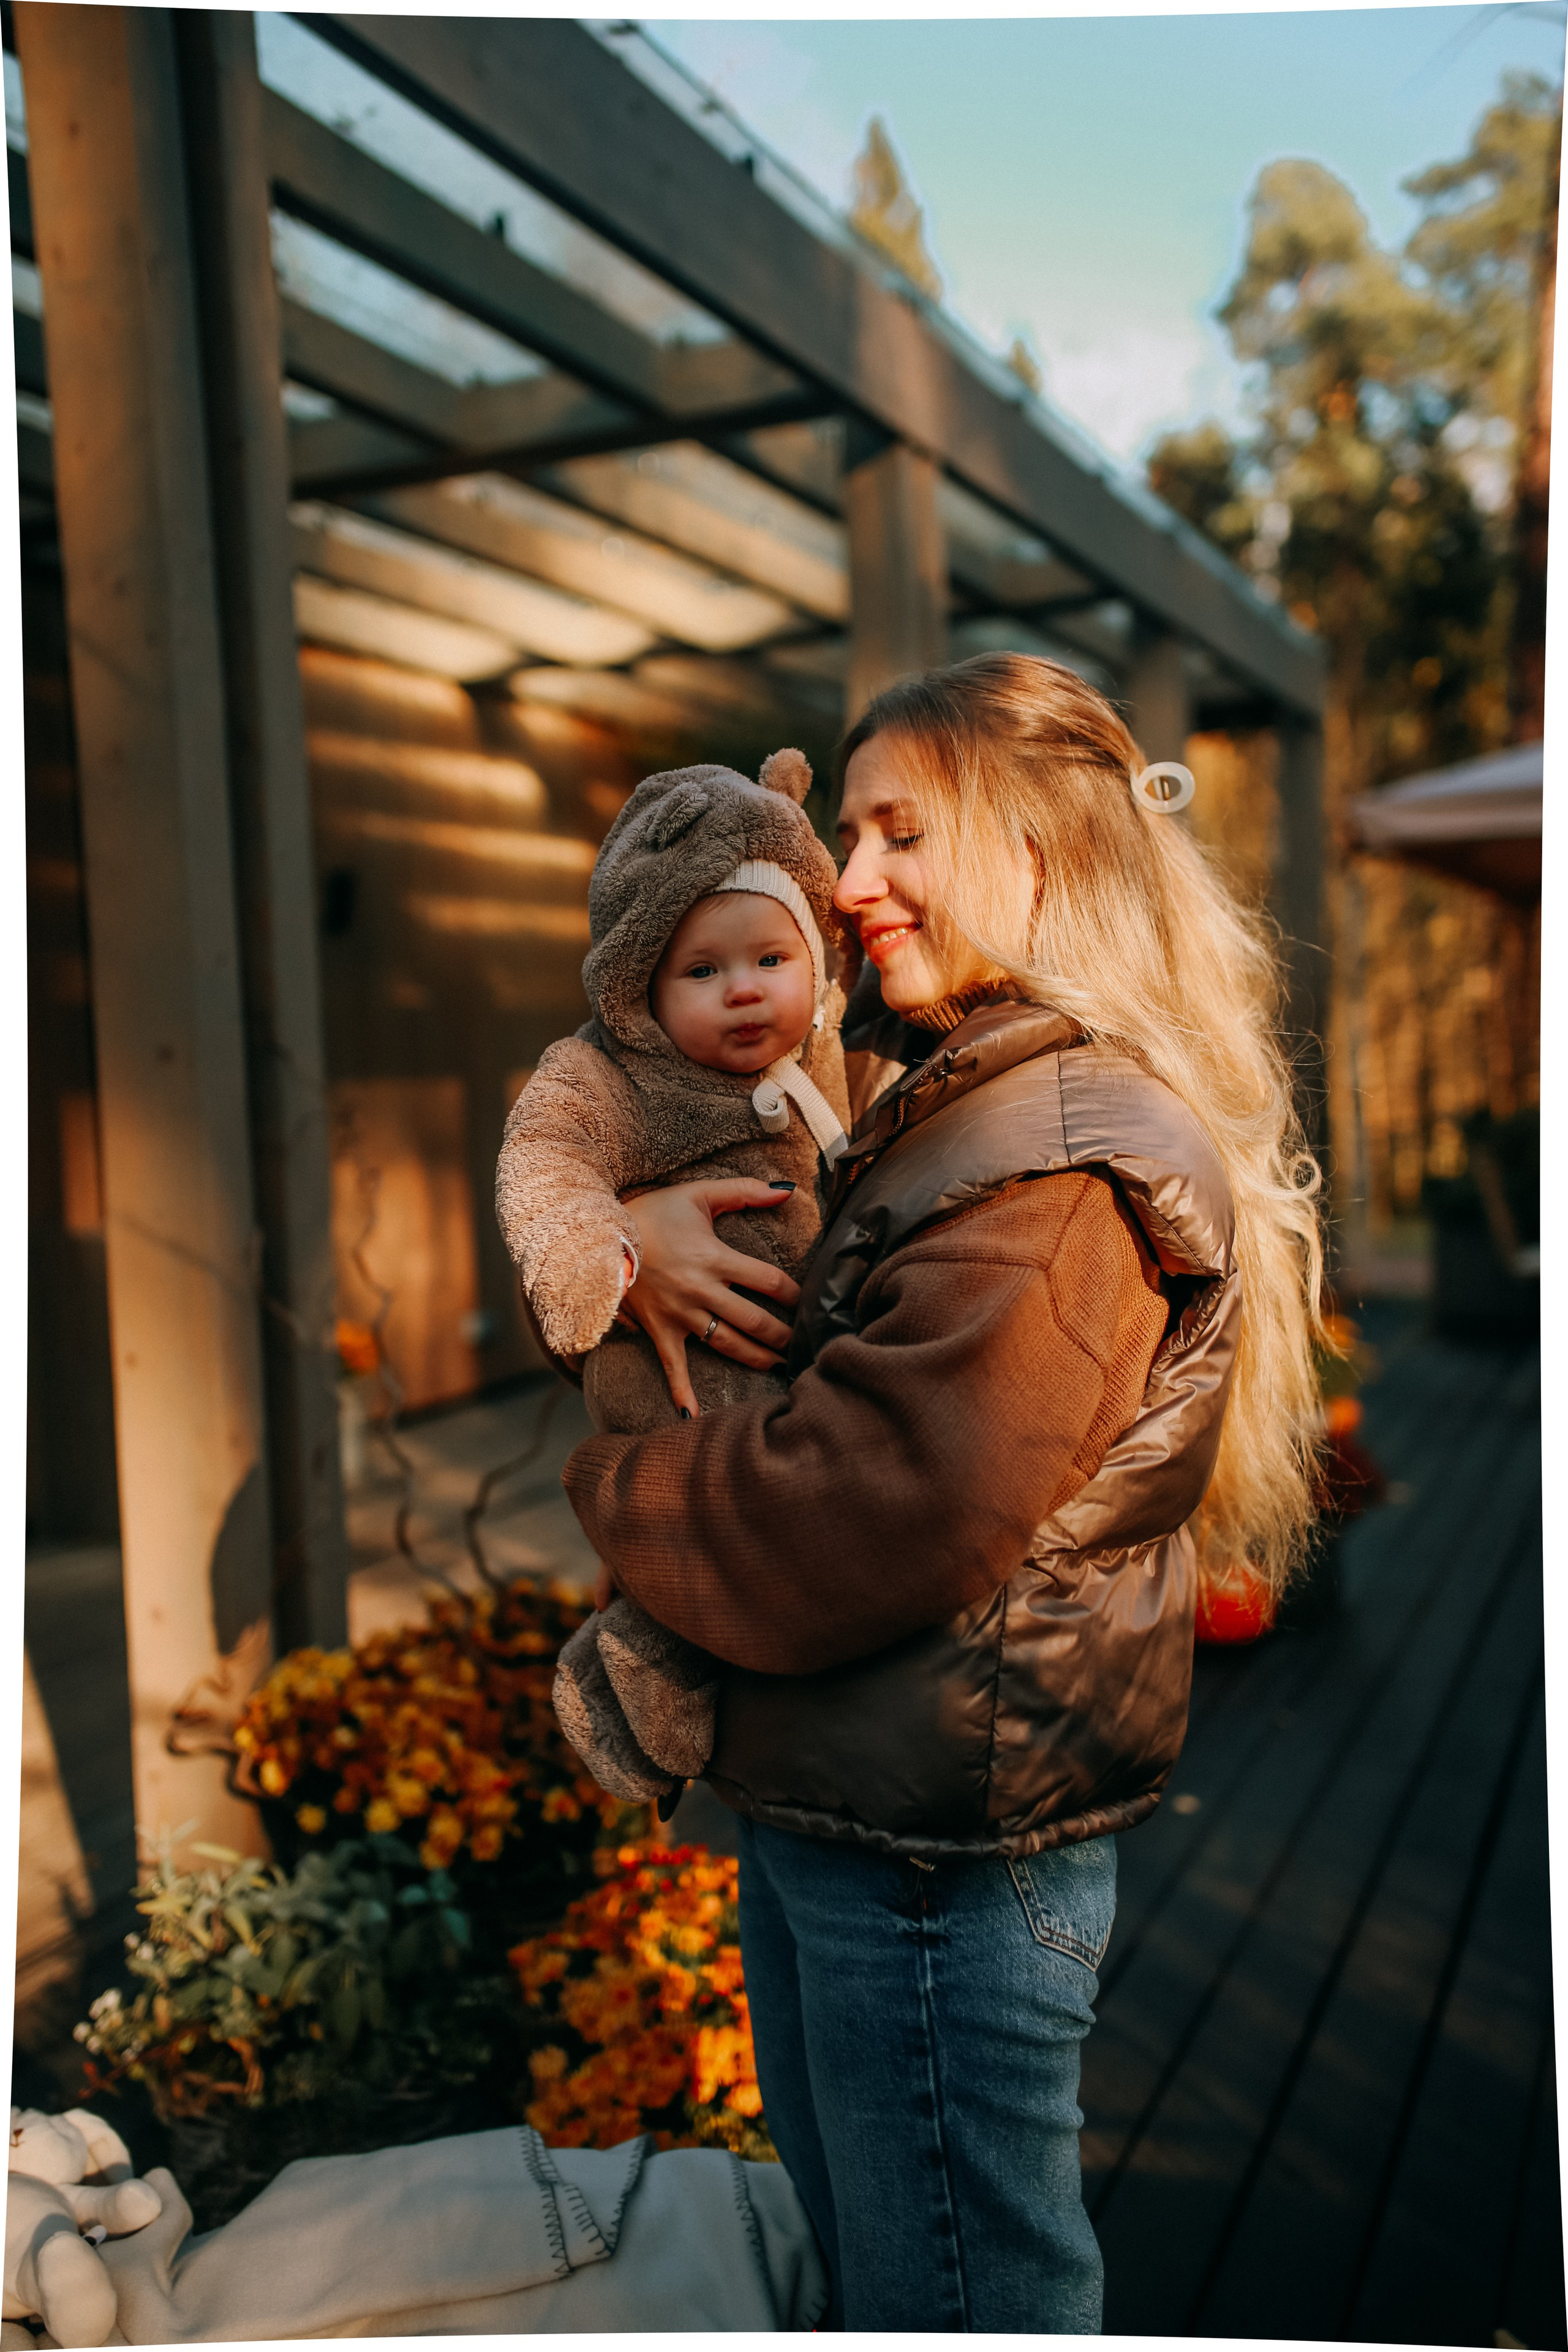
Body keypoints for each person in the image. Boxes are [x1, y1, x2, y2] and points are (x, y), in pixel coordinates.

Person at [560, 652, 1325, 2334]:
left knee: (959, 2301)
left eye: (902, 831)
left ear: (1042, 855)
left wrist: (613, 1480)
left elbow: (870, 1501)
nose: (846, 882)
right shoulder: (958, 1088)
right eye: (849, 831)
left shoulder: (1058, 1159)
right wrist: (639, 1244)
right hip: (873, 1805)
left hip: (935, 1864)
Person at [496, 747, 850, 1804]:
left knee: (761, 1523)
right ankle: (648, 1667)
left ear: (817, 959)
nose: (744, 993)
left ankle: (658, 1663)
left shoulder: (849, 1054)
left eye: (771, 962)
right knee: (713, 1517)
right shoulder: (616, 1077)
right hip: (679, 1373)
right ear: (641, 984)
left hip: (791, 1376)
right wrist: (599, 1253)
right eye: (702, 972)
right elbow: (544, 1156)